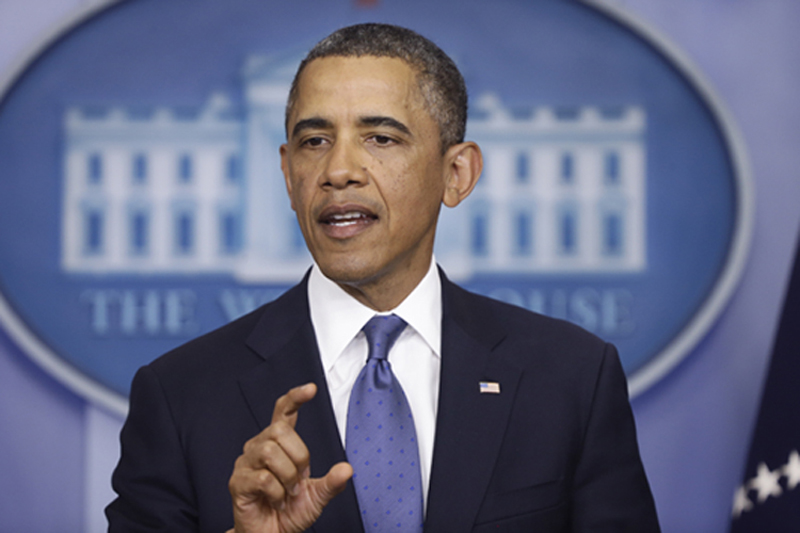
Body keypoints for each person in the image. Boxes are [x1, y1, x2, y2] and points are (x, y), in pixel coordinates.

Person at [107, 23, 660, 533]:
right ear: (287, 173)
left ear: (456, 173)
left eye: (380, 138)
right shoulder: (179, 395)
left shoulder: (570, 378)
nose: (338, 170)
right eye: (314, 141)